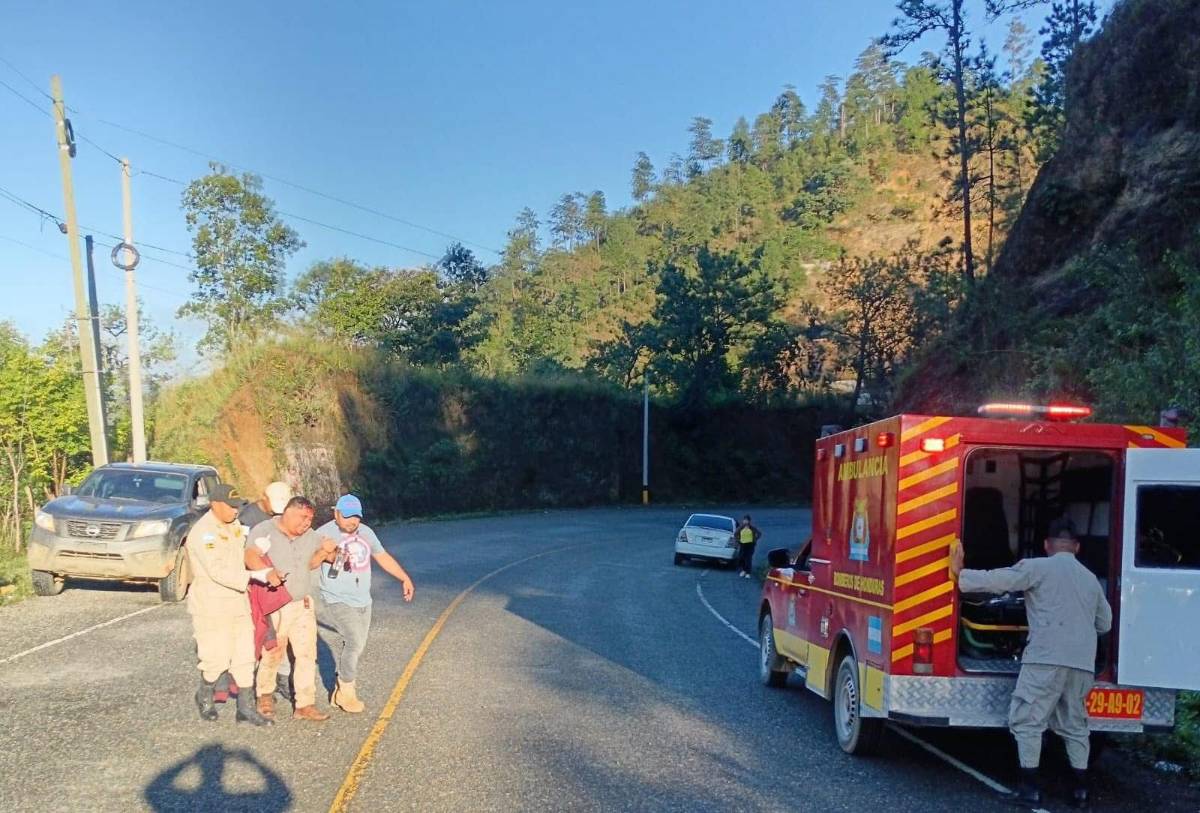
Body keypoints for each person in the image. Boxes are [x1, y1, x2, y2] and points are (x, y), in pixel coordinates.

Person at [950, 517, 1112, 809]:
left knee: (1027, 720)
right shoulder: (1090, 579)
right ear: (1076, 547)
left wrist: (962, 574)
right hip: (1082, 663)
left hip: (1045, 659)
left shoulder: (1037, 567)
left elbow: (998, 581)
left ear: (1047, 545)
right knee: (1075, 724)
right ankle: (1080, 792)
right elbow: (1105, 623)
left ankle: (1030, 790)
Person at [186, 484, 280, 727]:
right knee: (215, 657)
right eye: (230, 506)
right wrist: (253, 576)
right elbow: (217, 570)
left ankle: (245, 709)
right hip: (212, 605)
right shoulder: (204, 533)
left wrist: (257, 551)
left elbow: (240, 555)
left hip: (238, 602)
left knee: (245, 656)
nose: (235, 511)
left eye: (237, 506)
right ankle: (204, 695)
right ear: (215, 504)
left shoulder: (235, 526)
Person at [315, 494, 415, 713]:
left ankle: (337, 689)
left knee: (358, 646)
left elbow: (382, 556)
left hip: (363, 599)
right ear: (336, 513)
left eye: (356, 517)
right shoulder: (323, 534)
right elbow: (309, 562)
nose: (352, 521)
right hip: (336, 598)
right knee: (353, 642)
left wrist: (404, 578)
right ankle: (347, 692)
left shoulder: (366, 533)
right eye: (347, 516)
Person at [244, 496, 337, 722]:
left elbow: (321, 560)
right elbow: (250, 556)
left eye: (310, 519)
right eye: (303, 517)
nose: (306, 523)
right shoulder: (264, 530)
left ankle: (305, 704)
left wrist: (328, 551)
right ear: (288, 512)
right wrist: (267, 573)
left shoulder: (311, 536)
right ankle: (264, 696)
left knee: (306, 655)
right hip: (275, 605)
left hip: (302, 605)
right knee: (272, 652)